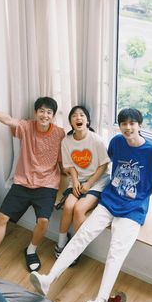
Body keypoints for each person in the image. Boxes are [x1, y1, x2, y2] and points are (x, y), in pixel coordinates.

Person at [29, 108, 152, 302]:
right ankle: (48, 279)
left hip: (133, 209)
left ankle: (100, 301)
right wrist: (80, 178)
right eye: (124, 123)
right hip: (110, 200)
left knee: (115, 254)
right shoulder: (116, 142)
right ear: (120, 126)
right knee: (80, 237)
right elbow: (102, 163)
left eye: (132, 123)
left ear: (140, 126)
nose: (128, 127)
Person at [0, 95, 65, 273]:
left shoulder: (59, 133)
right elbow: (8, 120)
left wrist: (65, 187)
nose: (45, 115)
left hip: (47, 185)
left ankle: (31, 251)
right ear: (36, 113)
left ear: (53, 116)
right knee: (2, 218)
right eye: (42, 111)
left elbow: (63, 162)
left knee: (43, 221)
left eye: (49, 112)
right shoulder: (26, 126)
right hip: (22, 182)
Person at [54, 106, 110, 264]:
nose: (78, 118)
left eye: (82, 115)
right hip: (77, 180)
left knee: (79, 209)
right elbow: (70, 164)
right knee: (68, 206)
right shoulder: (66, 141)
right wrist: (76, 181)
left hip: (98, 181)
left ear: (87, 120)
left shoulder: (96, 140)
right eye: (74, 116)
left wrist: (89, 184)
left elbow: (104, 166)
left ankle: (74, 250)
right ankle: (61, 243)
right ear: (71, 122)